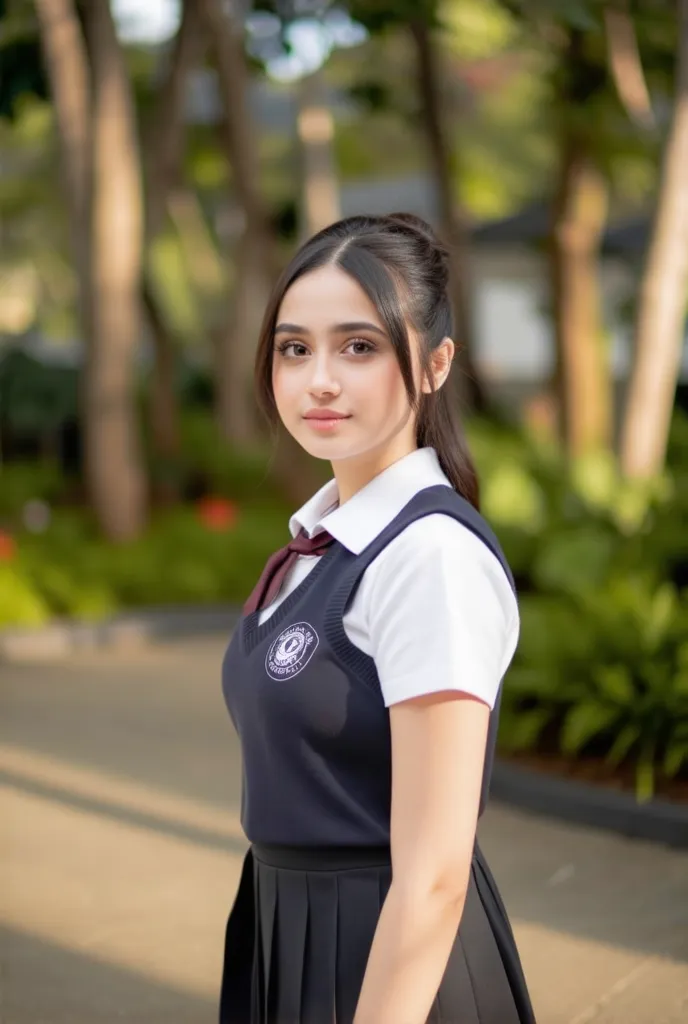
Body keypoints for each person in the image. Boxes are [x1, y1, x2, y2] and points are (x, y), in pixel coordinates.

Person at [219, 212, 536, 1024]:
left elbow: (433, 874)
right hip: (289, 935)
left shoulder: (428, 558)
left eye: (358, 346)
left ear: (434, 365)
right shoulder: (317, 545)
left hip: (390, 966)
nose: (319, 379)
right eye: (295, 348)